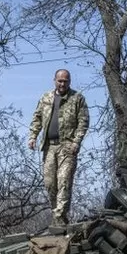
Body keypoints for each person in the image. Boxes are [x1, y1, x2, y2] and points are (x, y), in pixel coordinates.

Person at [27, 69, 90, 226]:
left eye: (65, 81)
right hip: (49, 147)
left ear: (70, 82)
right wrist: (33, 136)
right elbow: (37, 118)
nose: (62, 84)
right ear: (54, 80)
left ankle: (59, 216)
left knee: (64, 181)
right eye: (60, 81)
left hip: (67, 147)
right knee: (50, 183)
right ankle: (59, 217)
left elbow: (83, 122)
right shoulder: (46, 97)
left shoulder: (77, 98)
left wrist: (76, 142)